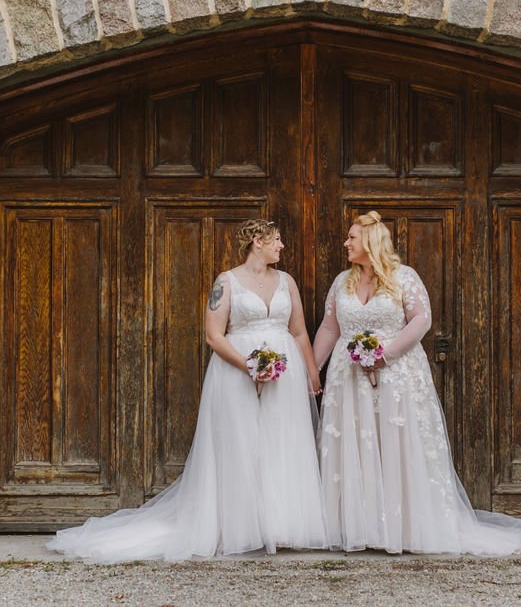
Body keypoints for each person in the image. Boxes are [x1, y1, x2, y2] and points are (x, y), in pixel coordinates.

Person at [49, 219, 326, 562]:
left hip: (285, 374)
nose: (282, 246)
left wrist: (311, 372)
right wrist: (249, 366)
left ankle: (280, 526)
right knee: (240, 445)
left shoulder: (287, 282)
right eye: (277, 239)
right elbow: (214, 335)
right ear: (258, 241)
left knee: (281, 443)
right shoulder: (226, 282)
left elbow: (298, 331)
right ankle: (237, 526)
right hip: (236, 374)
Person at [312, 211, 521, 555]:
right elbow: (331, 328)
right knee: (355, 449)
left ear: (371, 242)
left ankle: (401, 530)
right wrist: (311, 371)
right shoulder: (341, 282)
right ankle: (358, 527)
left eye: (352, 237)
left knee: (395, 447)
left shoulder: (404, 278)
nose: (346, 243)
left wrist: (385, 354)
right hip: (347, 380)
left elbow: (421, 320)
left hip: (396, 377)